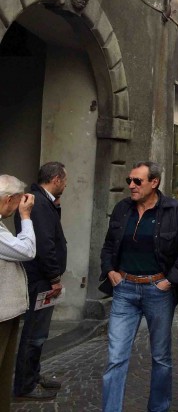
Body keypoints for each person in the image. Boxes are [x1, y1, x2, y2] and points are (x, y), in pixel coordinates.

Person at [99, 161, 178, 412]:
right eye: (129, 180)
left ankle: (158, 408)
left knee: (161, 358)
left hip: (158, 290)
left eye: (137, 181)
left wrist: (171, 280)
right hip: (125, 289)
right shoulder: (122, 209)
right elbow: (109, 244)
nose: (131, 185)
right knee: (116, 357)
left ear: (154, 183)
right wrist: (110, 270)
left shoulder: (175, 211)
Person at [13, 162, 68, 400]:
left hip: (42, 278)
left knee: (39, 332)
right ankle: (25, 384)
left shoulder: (44, 202)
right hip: (41, 280)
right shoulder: (38, 203)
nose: (65, 184)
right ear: (56, 179)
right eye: (64, 180)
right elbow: (45, 245)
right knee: (35, 333)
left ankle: (33, 375)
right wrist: (54, 277)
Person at [0, 175, 35, 412]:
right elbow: (27, 250)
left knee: (4, 371)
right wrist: (26, 217)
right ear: (9, 199)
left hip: (6, 311)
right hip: (1, 312)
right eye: (17, 201)